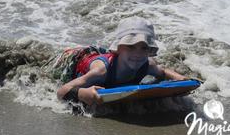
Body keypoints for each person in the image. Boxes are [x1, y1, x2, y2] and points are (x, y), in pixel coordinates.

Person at [56, 17, 186, 105]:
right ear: (117, 49)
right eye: (130, 46)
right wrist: (82, 93)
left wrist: (180, 79)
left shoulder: (147, 64)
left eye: (144, 47)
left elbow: (162, 71)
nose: (138, 53)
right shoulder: (101, 72)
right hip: (77, 58)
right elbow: (61, 91)